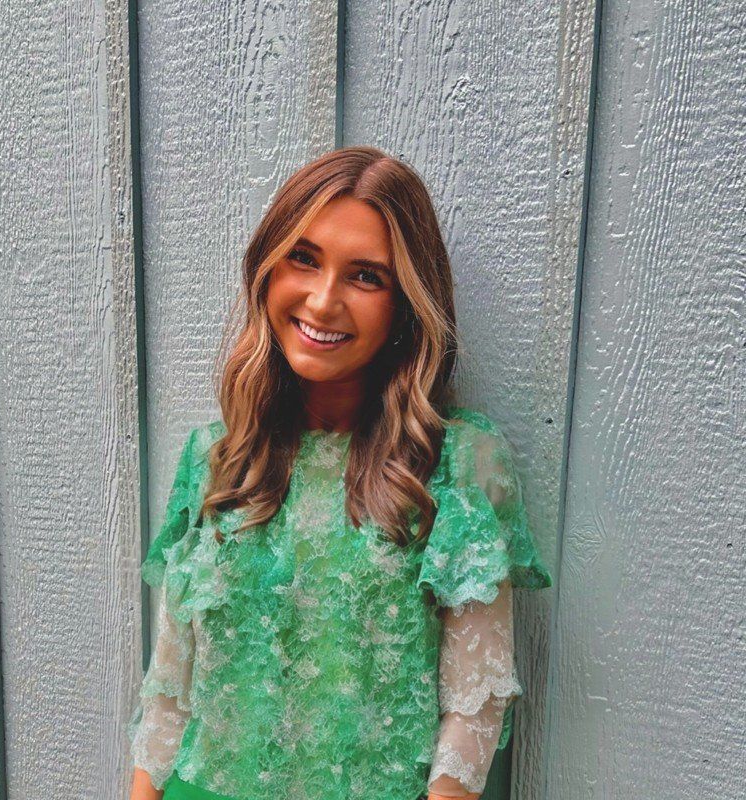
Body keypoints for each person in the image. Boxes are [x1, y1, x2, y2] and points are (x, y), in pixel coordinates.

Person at [126, 146, 552, 800]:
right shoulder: (216, 458)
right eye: (303, 258)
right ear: (267, 270)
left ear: (405, 304)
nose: (323, 301)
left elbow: (475, 706)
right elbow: (171, 689)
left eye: (366, 276)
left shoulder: (457, 467)